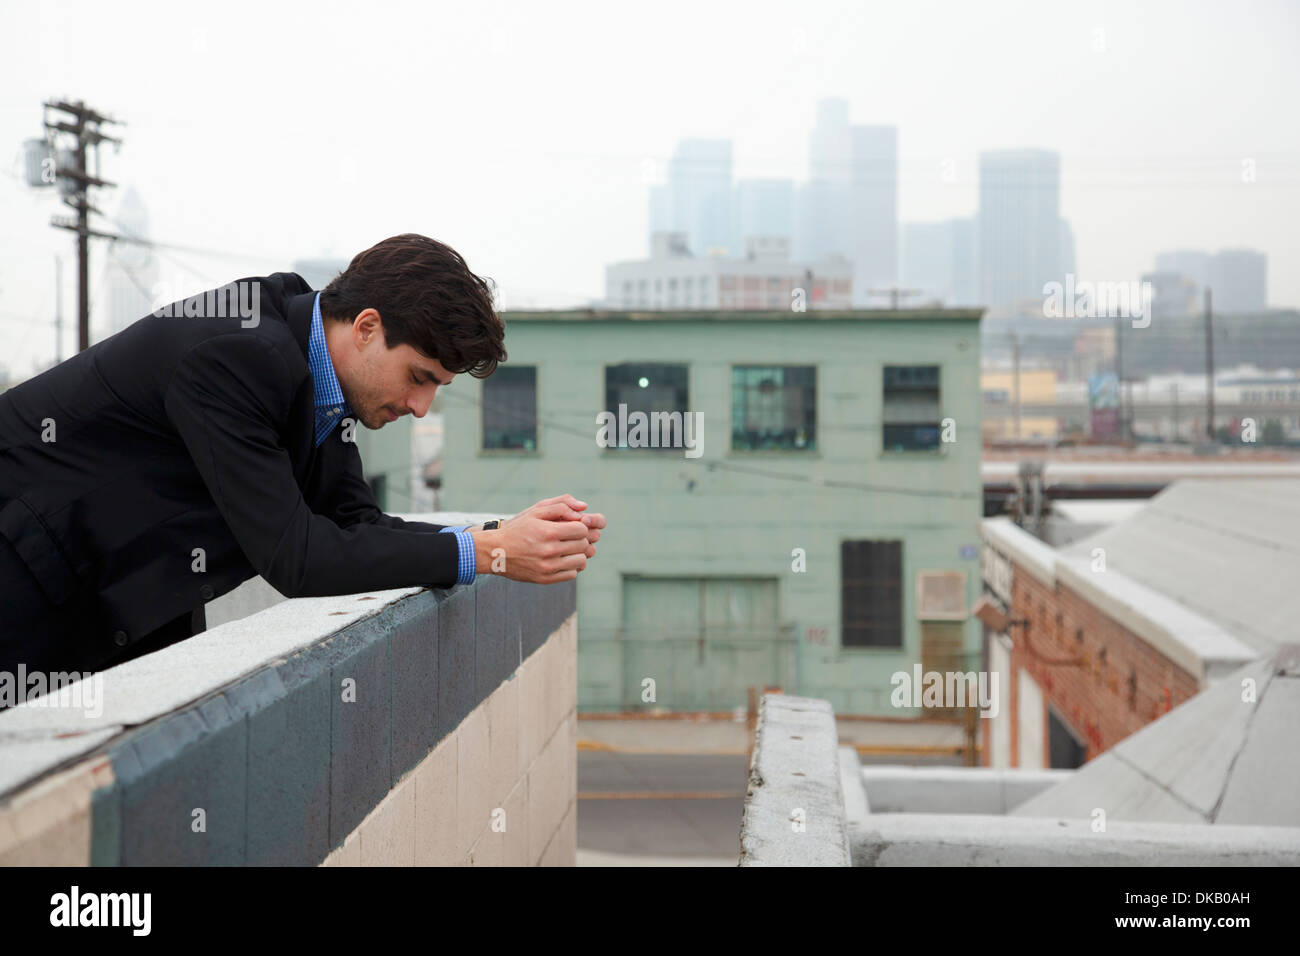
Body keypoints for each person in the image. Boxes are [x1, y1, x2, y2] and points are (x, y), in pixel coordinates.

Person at [0, 233, 605, 681]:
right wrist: (489, 552)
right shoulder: (239, 356)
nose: (422, 407)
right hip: (24, 585)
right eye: (419, 377)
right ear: (367, 327)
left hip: (111, 604)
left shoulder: (317, 365)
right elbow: (298, 559)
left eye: (437, 388)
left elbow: (352, 524)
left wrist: (506, 534)